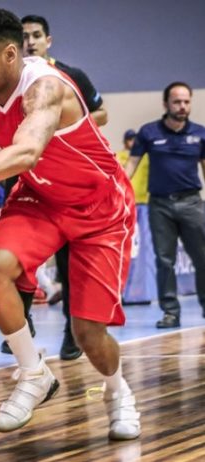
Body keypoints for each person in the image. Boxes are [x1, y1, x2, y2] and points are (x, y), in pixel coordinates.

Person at [0, 8, 140, 440]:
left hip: (98, 208)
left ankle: (117, 391)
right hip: (40, 198)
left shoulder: (45, 89)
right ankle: (33, 372)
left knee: (87, 332)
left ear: (8, 54)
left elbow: (24, 153)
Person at [1, 14, 110, 361]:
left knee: (67, 262)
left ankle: (71, 331)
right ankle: (21, 325)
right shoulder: (7, 80)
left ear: (48, 40)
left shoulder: (69, 75)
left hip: (63, 179)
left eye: (36, 35)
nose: (30, 41)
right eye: (24, 36)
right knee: (15, 256)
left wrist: (60, 128)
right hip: (22, 175)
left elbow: (102, 113)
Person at [125, 82, 205, 328]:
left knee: (202, 257)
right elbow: (130, 166)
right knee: (164, 260)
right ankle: (170, 311)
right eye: (177, 102)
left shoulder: (200, 134)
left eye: (186, 102)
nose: (182, 106)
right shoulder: (148, 133)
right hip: (160, 205)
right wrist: (116, 192)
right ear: (166, 104)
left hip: (192, 202)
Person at [116, 129, 149, 205]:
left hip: (143, 200)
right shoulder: (118, 156)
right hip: (126, 198)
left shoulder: (146, 156)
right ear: (125, 141)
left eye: (135, 139)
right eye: (130, 139)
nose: (133, 141)